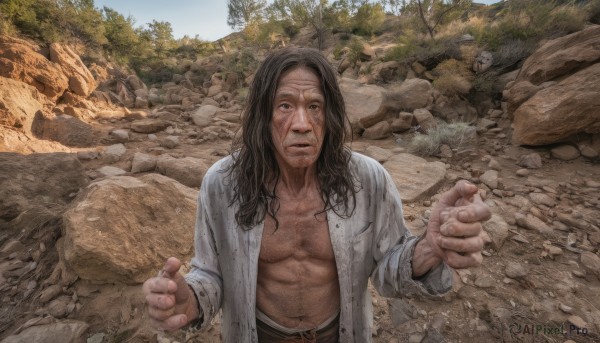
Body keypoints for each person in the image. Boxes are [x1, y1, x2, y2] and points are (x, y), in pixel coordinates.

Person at [143, 47, 491, 342]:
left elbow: (388, 272)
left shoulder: (368, 180)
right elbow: (211, 273)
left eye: (314, 106)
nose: (301, 124)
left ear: (331, 116)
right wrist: (189, 298)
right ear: (263, 116)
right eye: (284, 105)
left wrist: (429, 249)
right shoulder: (222, 183)